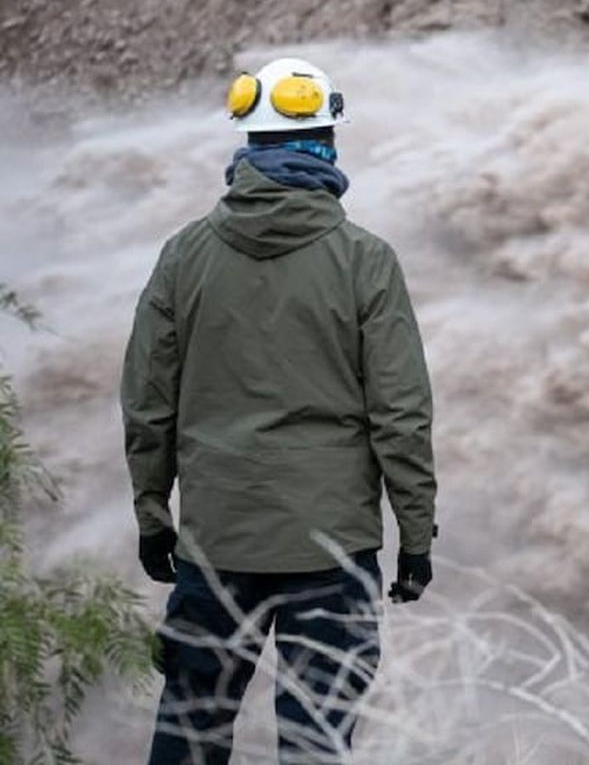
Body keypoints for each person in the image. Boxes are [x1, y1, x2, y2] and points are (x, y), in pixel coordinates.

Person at [120, 57, 437, 764]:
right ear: (329, 138)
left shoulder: (183, 255)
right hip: (331, 544)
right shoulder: (366, 260)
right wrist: (414, 536)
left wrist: (152, 516)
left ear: (247, 144)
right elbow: (401, 412)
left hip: (217, 540)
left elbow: (147, 402)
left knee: (190, 731)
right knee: (315, 742)